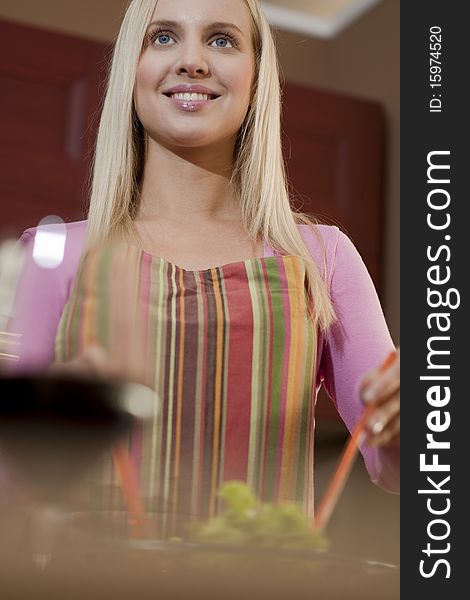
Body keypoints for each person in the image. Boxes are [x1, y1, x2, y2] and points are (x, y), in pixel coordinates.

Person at [9, 0, 399, 532]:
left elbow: (404, 468)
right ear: (133, 68)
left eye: (221, 40)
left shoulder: (323, 259)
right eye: (163, 37)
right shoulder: (54, 255)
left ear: (256, 77)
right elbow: (12, 479)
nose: (191, 60)